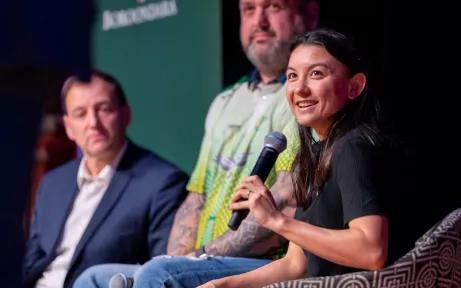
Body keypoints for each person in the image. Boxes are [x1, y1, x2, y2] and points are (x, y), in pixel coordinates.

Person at [73, 0, 319, 287]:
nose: (259, 21)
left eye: (273, 7)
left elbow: (287, 197)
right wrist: (177, 258)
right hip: (202, 259)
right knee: (93, 278)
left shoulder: (303, 101)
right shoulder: (225, 101)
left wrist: (198, 257)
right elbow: (196, 198)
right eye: (249, 10)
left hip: (260, 264)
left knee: (158, 275)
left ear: (309, 14)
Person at [198, 29, 395, 287]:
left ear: (354, 87)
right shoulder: (315, 157)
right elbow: (296, 264)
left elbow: (372, 251)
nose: (300, 89)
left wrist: (276, 220)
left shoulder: (354, 147)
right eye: (292, 76)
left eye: (316, 74)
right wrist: (223, 285)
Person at [22, 70, 189, 288]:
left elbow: (159, 273)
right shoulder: (52, 183)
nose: (93, 122)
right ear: (69, 127)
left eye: (103, 109)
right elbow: (31, 261)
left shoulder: (163, 182)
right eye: (80, 114)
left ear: (126, 114)